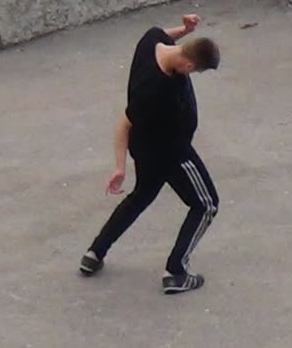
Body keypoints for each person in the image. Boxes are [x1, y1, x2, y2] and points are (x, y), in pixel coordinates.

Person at [79, 15, 221, 295]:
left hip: (145, 148)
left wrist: (184, 29)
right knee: (206, 205)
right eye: (195, 72)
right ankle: (176, 271)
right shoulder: (156, 92)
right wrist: (119, 168)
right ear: (189, 65)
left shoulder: (151, 41)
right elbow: (123, 123)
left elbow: (165, 34)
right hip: (171, 153)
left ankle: (95, 253)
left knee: (141, 196)